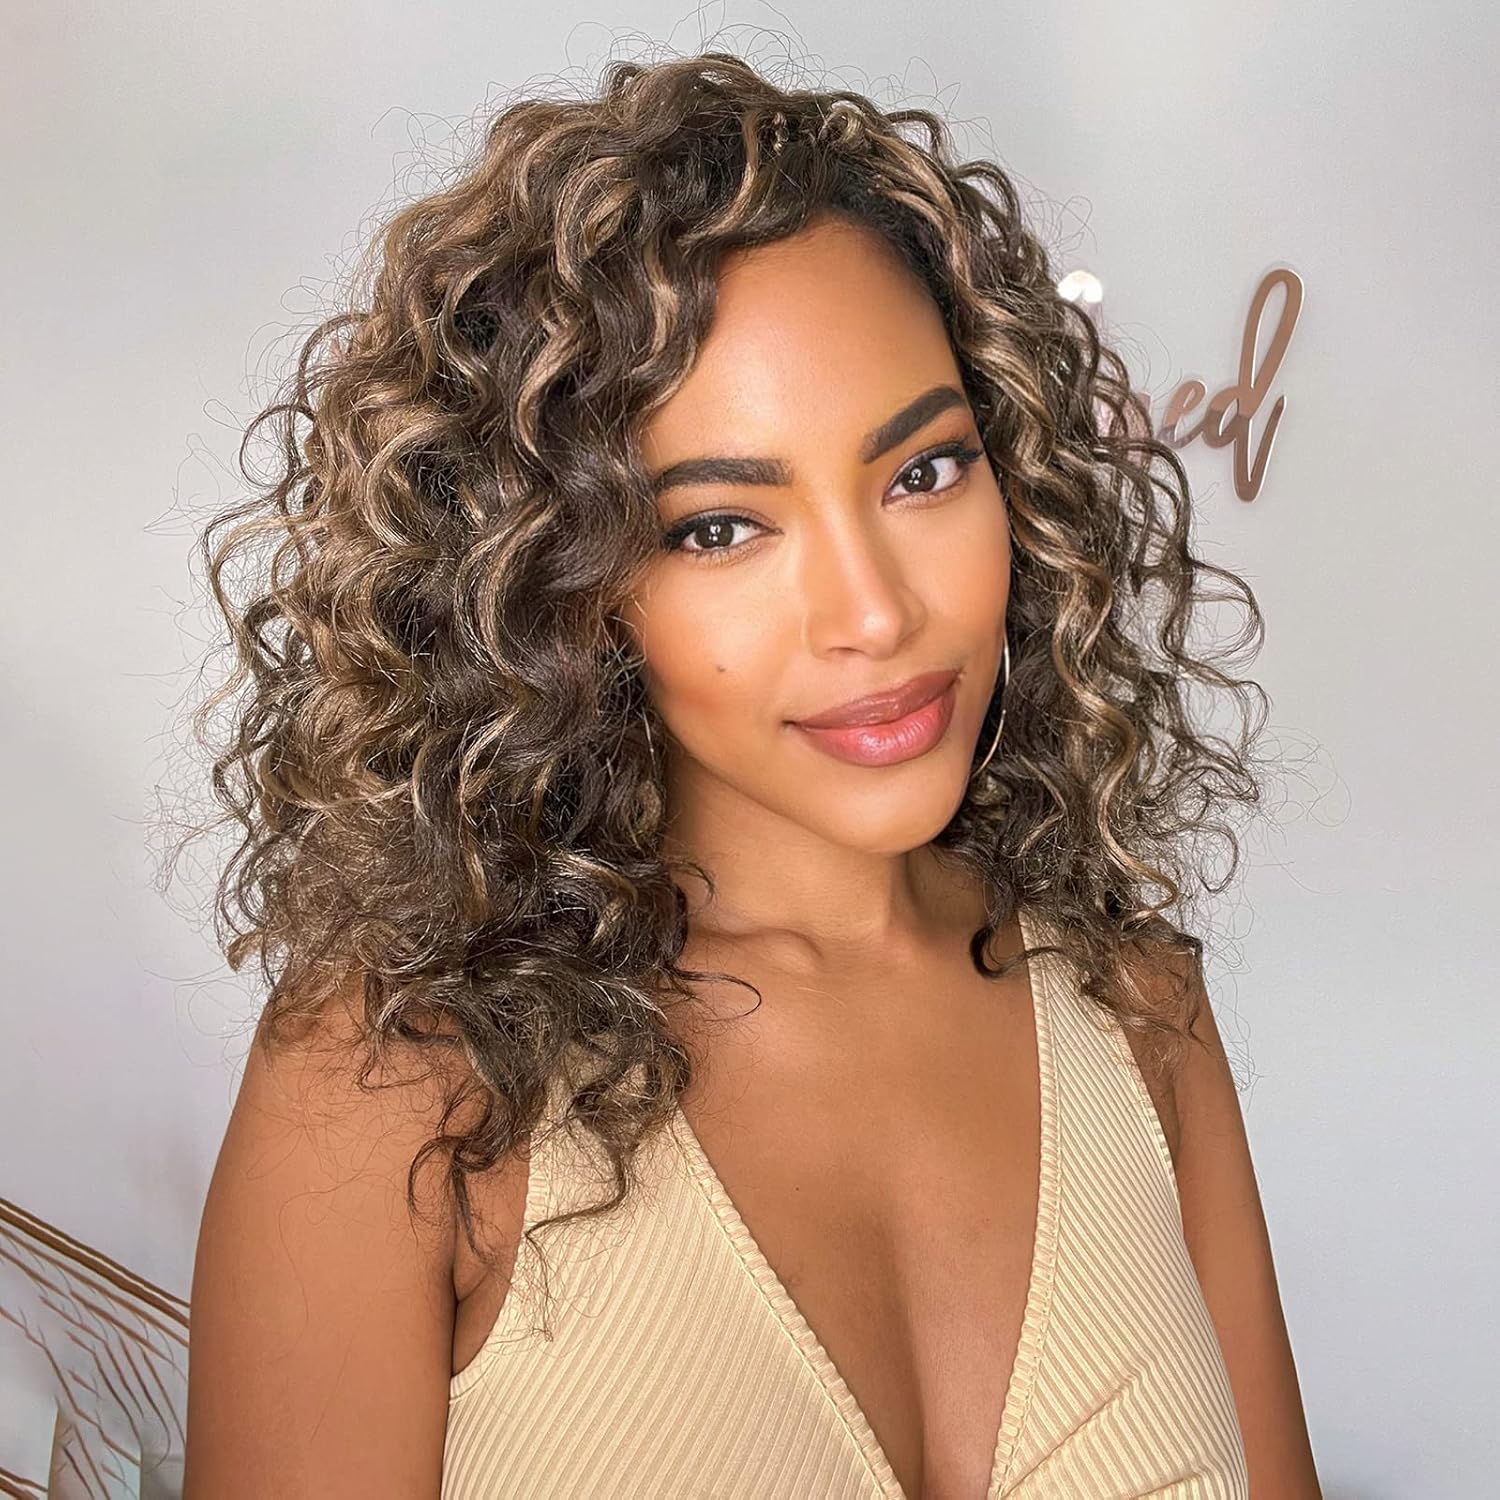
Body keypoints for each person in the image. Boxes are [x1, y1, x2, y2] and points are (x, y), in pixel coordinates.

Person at [182, 50, 1321, 1499]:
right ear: (559, 587)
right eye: (720, 528)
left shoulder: (1137, 1006)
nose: (875, 615)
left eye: (923, 472)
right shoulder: (401, 1084)